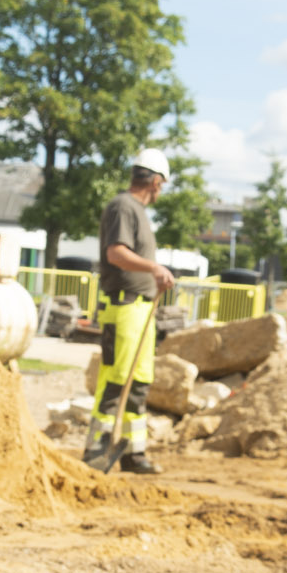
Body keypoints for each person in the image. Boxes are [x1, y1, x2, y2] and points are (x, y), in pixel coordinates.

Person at [87, 148, 177, 474]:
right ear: (155, 181)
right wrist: (154, 268)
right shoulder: (123, 207)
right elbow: (116, 253)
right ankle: (96, 455)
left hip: (141, 309)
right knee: (116, 381)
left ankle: (133, 453)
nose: (161, 190)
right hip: (124, 307)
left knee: (138, 383)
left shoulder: (137, 211)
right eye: (162, 184)